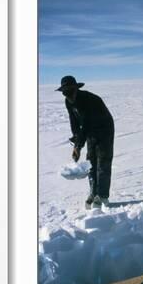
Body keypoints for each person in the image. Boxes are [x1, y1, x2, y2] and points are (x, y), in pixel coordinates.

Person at [56, 75, 115, 209]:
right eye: (64, 92)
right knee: (91, 163)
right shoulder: (68, 101)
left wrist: (79, 146)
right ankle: (93, 193)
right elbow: (75, 123)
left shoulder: (89, 100)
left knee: (103, 162)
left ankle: (103, 196)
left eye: (69, 91)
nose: (67, 95)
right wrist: (76, 143)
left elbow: (87, 124)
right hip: (90, 131)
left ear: (76, 89)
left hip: (104, 129)